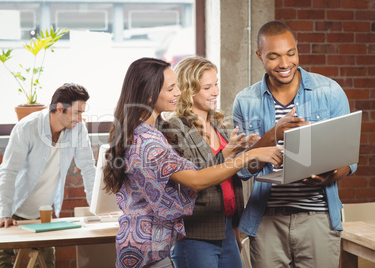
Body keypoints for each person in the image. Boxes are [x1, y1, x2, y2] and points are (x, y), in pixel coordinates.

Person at [103, 57, 282, 268]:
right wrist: (249, 156)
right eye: (171, 88)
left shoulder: (152, 132)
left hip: (155, 246)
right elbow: (196, 180)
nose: (178, 92)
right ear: (149, 95)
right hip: (147, 250)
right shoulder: (148, 140)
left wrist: (236, 153)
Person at [232, 21, 357, 268]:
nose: (285, 64)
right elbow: (242, 170)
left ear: (297, 48)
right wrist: (273, 135)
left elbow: (349, 160)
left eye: (291, 53)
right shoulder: (245, 101)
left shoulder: (329, 91)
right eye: (274, 56)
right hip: (266, 220)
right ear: (259, 56)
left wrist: (328, 175)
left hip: (318, 219)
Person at [158, 56, 259, 268]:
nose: (215, 91)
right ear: (189, 89)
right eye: (207, 87)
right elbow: (194, 178)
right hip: (196, 234)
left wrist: (243, 149)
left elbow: (230, 177)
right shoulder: (175, 128)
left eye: (216, 84)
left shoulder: (218, 124)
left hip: (227, 227)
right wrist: (228, 155)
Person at [0, 83, 96, 268]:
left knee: (47, 260)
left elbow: (88, 167)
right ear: (60, 108)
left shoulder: (78, 129)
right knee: (4, 260)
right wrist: (5, 213)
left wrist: (95, 207)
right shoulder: (27, 128)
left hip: (40, 209)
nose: (80, 118)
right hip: (9, 201)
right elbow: (9, 171)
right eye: (77, 112)